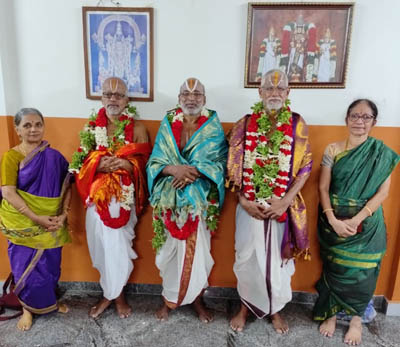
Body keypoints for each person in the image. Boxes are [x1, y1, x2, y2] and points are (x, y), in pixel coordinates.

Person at [226, 69, 313, 333]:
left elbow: (305, 166)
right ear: (259, 92)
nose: (274, 93)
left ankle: (275, 311)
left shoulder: (298, 123)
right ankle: (244, 307)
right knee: (246, 257)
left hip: (281, 209)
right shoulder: (244, 123)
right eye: (269, 88)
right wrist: (243, 200)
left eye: (280, 89)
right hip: (249, 206)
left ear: (288, 93)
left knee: (279, 261)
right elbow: (232, 166)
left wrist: (285, 201)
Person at [313, 99, 400, 346]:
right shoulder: (332, 149)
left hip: (368, 224)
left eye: (366, 117)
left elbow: (383, 193)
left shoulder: (383, 154)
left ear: (374, 121)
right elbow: (323, 187)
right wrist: (332, 219)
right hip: (333, 220)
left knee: (364, 273)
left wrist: (356, 219)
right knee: (335, 267)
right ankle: (330, 313)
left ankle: (356, 320)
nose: (360, 122)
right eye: (355, 116)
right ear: (347, 119)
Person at [147, 77, 227, 322]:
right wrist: (174, 170)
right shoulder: (169, 121)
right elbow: (155, 160)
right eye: (186, 94)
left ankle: (197, 299)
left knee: (199, 253)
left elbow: (221, 161)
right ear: (179, 97)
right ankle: (168, 300)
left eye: (197, 94)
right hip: (168, 195)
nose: (191, 98)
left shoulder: (213, 125)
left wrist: (194, 171)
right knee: (168, 253)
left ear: (205, 99)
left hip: (199, 197)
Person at [70, 77, 151, 319]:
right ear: (101, 98)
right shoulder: (90, 128)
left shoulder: (137, 129)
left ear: (127, 100)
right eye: (108, 94)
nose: (113, 99)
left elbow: (146, 165)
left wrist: (127, 163)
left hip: (124, 197)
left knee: (119, 247)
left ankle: (118, 296)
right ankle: (109, 292)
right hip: (97, 198)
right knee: (101, 247)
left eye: (118, 95)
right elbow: (79, 164)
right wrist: (97, 163)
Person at [0, 108, 71, 331]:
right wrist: (36, 217)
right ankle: (27, 309)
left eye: (38, 124)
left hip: (51, 222)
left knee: (50, 266)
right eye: (27, 125)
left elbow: (68, 185)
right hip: (23, 222)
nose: (33, 129)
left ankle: (50, 302)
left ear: (43, 126)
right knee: (25, 268)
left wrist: (64, 214)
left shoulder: (55, 157)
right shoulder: (11, 157)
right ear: (17, 130)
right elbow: (8, 192)